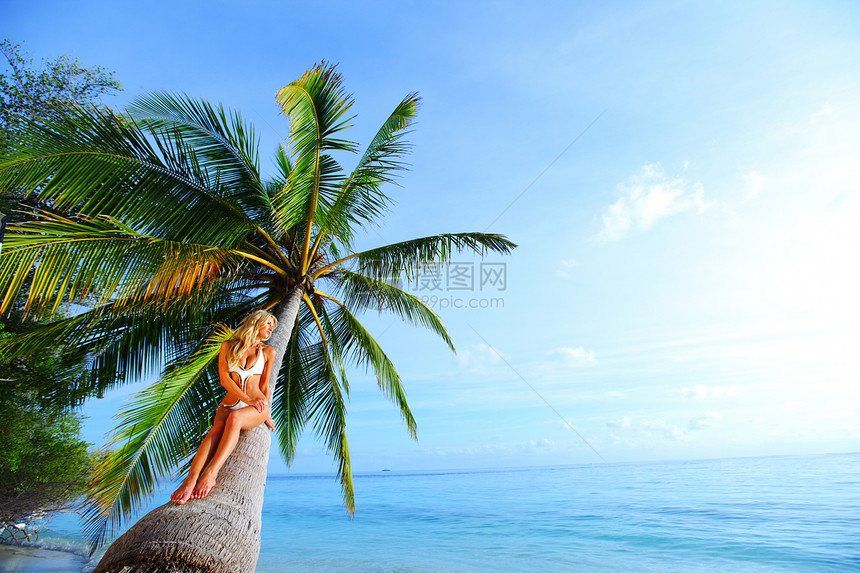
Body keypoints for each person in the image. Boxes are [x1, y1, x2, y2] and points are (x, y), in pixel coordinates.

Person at [171, 310, 277, 504]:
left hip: (256, 407)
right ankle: (190, 480)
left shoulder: (268, 352)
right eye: (268, 324)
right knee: (216, 429)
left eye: (273, 326)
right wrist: (246, 398)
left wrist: (266, 411)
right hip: (231, 402)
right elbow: (224, 379)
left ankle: (211, 473)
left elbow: (264, 385)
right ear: (256, 323)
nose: (271, 329)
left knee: (234, 419)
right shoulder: (228, 346)